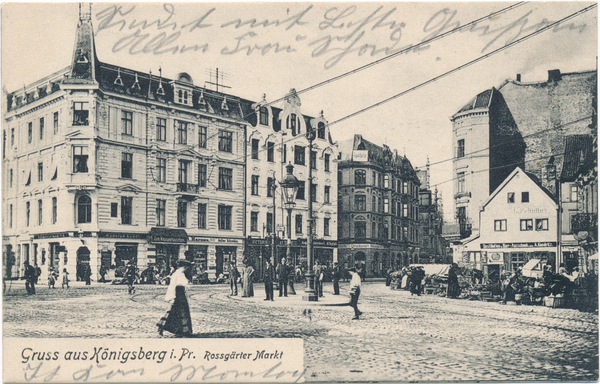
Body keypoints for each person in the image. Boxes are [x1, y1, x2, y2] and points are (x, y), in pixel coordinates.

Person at [157, 260, 193, 337]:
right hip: (179, 295)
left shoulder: (177, 273)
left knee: (174, 312)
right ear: (184, 267)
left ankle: (177, 329)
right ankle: (184, 330)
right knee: (180, 312)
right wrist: (172, 297)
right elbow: (174, 286)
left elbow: (176, 286)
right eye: (186, 267)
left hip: (179, 294)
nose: (187, 269)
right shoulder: (179, 274)